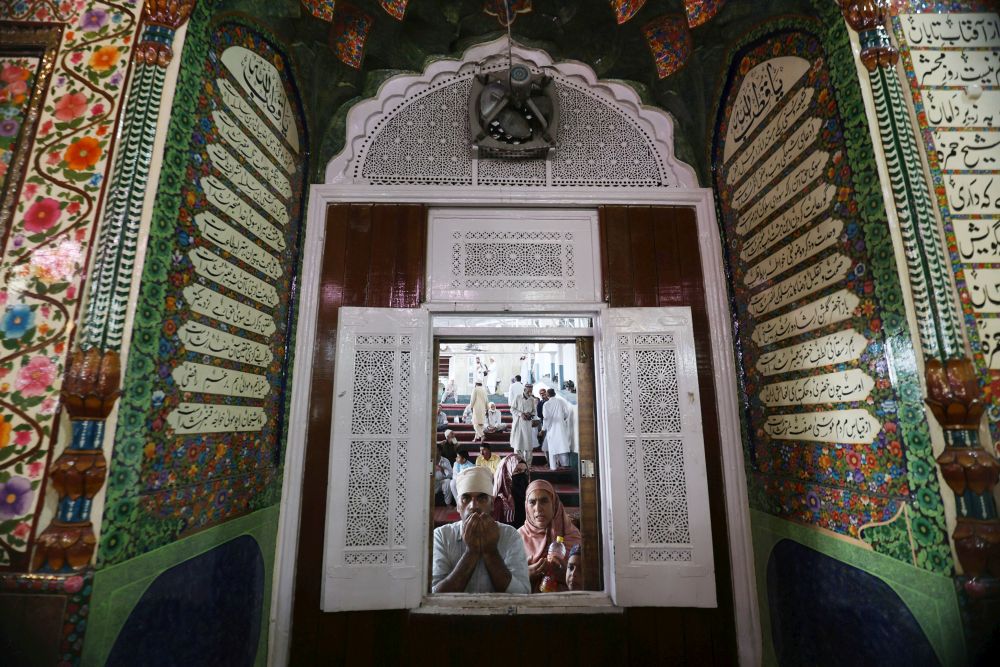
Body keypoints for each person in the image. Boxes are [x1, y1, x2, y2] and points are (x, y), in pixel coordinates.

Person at [431, 467, 531, 593]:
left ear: (492, 504)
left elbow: (521, 593)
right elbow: (435, 594)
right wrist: (471, 552)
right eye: (466, 498)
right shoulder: (442, 536)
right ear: (458, 506)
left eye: (482, 498)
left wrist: (491, 551)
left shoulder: (510, 535)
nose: (473, 506)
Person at [517, 479, 582, 593]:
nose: (538, 508)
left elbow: (588, 579)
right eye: (532, 502)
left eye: (544, 501)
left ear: (554, 504)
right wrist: (525, 574)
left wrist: (564, 574)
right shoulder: (517, 538)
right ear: (526, 507)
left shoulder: (572, 536)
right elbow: (506, 580)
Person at [491, 453, 529, 528]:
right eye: (518, 471)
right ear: (506, 474)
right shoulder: (499, 502)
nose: (523, 476)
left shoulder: (529, 496)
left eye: (525, 471)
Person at [542, 388, 573, 470]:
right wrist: (563, 419)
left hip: (551, 428)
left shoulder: (546, 404)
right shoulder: (561, 401)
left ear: (547, 395)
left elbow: (546, 418)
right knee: (562, 445)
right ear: (555, 394)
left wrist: (543, 428)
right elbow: (566, 413)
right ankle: (565, 464)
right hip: (561, 427)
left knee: (552, 447)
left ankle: (553, 466)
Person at [509, 382, 536, 467]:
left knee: (528, 446)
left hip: (527, 424)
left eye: (531, 390)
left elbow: (534, 411)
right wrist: (521, 414)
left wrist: (530, 415)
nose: (529, 392)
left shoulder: (532, 399)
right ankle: (518, 464)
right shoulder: (518, 397)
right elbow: (512, 409)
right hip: (518, 423)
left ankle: (528, 465)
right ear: (524, 389)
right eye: (528, 390)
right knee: (518, 445)